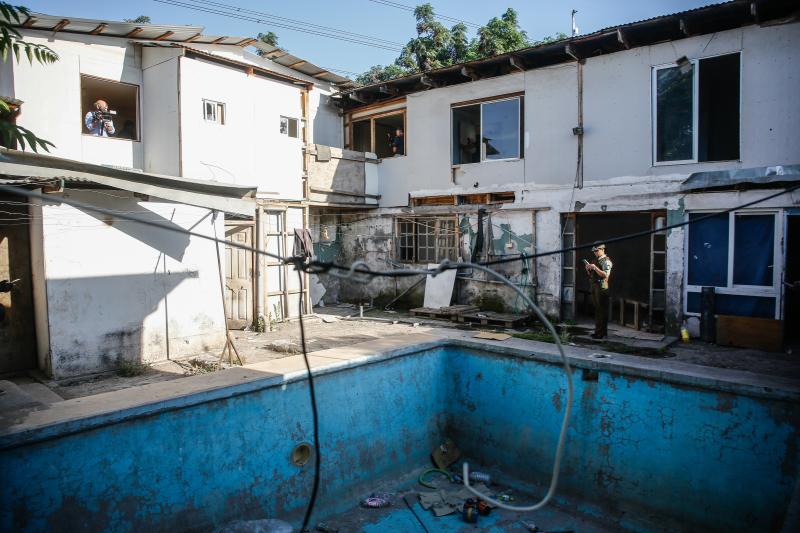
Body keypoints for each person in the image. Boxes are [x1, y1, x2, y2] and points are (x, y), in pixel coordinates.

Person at [585, 244, 613, 339]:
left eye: (596, 250)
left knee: (602, 310)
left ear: (603, 250)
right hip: (594, 285)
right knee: (597, 309)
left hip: (602, 286)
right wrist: (588, 269)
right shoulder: (595, 261)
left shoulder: (606, 261)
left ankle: (602, 333)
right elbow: (591, 275)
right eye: (594, 251)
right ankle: (597, 332)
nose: (595, 253)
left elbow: (605, 275)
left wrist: (595, 267)